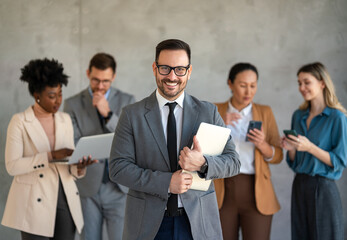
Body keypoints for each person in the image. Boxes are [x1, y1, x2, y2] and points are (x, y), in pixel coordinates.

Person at [109, 39, 241, 240]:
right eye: (165, 68)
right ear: (154, 68)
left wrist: (204, 163)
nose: (172, 76)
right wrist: (166, 183)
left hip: (196, 224)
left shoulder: (208, 112)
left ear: (189, 71)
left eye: (180, 69)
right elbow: (118, 168)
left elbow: (233, 162)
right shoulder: (131, 115)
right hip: (148, 226)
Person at [1, 58, 96, 240]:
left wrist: (80, 166)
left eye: (60, 94)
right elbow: (12, 166)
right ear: (37, 95)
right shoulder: (19, 122)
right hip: (33, 200)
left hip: (65, 196)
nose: (58, 100)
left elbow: (69, 165)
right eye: (52, 96)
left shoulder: (64, 119)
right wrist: (50, 155)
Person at [63, 53, 135, 240]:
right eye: (96, 80)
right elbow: (73, 141)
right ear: (87, 73)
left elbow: (132, 139)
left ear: (114, 77)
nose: (100, 86)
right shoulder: (72, 104)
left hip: (119, 188)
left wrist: (109, 114)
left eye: (106, 81)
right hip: (88, 187)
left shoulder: (127, 100)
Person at [213, 63, 283, 240]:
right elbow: (199, 150)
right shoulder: (214, 110)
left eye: (253, 86)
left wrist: (263, 146)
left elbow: (278, 155)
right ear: (230, 84)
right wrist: (219, 125)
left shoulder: (265, 112)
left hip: (256, 191)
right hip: (221, 189)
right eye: (243, 85)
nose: (248, 92)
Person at [281, 62, 347, 240]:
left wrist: (310, 147)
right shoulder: (298, 115)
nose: (301, 87)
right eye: (299, 83)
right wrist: (291, 149)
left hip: (324, 188)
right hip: (300, 185)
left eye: (306, 82)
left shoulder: (337, 118)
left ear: (322, 83)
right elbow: (295, 163)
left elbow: (339, 161)